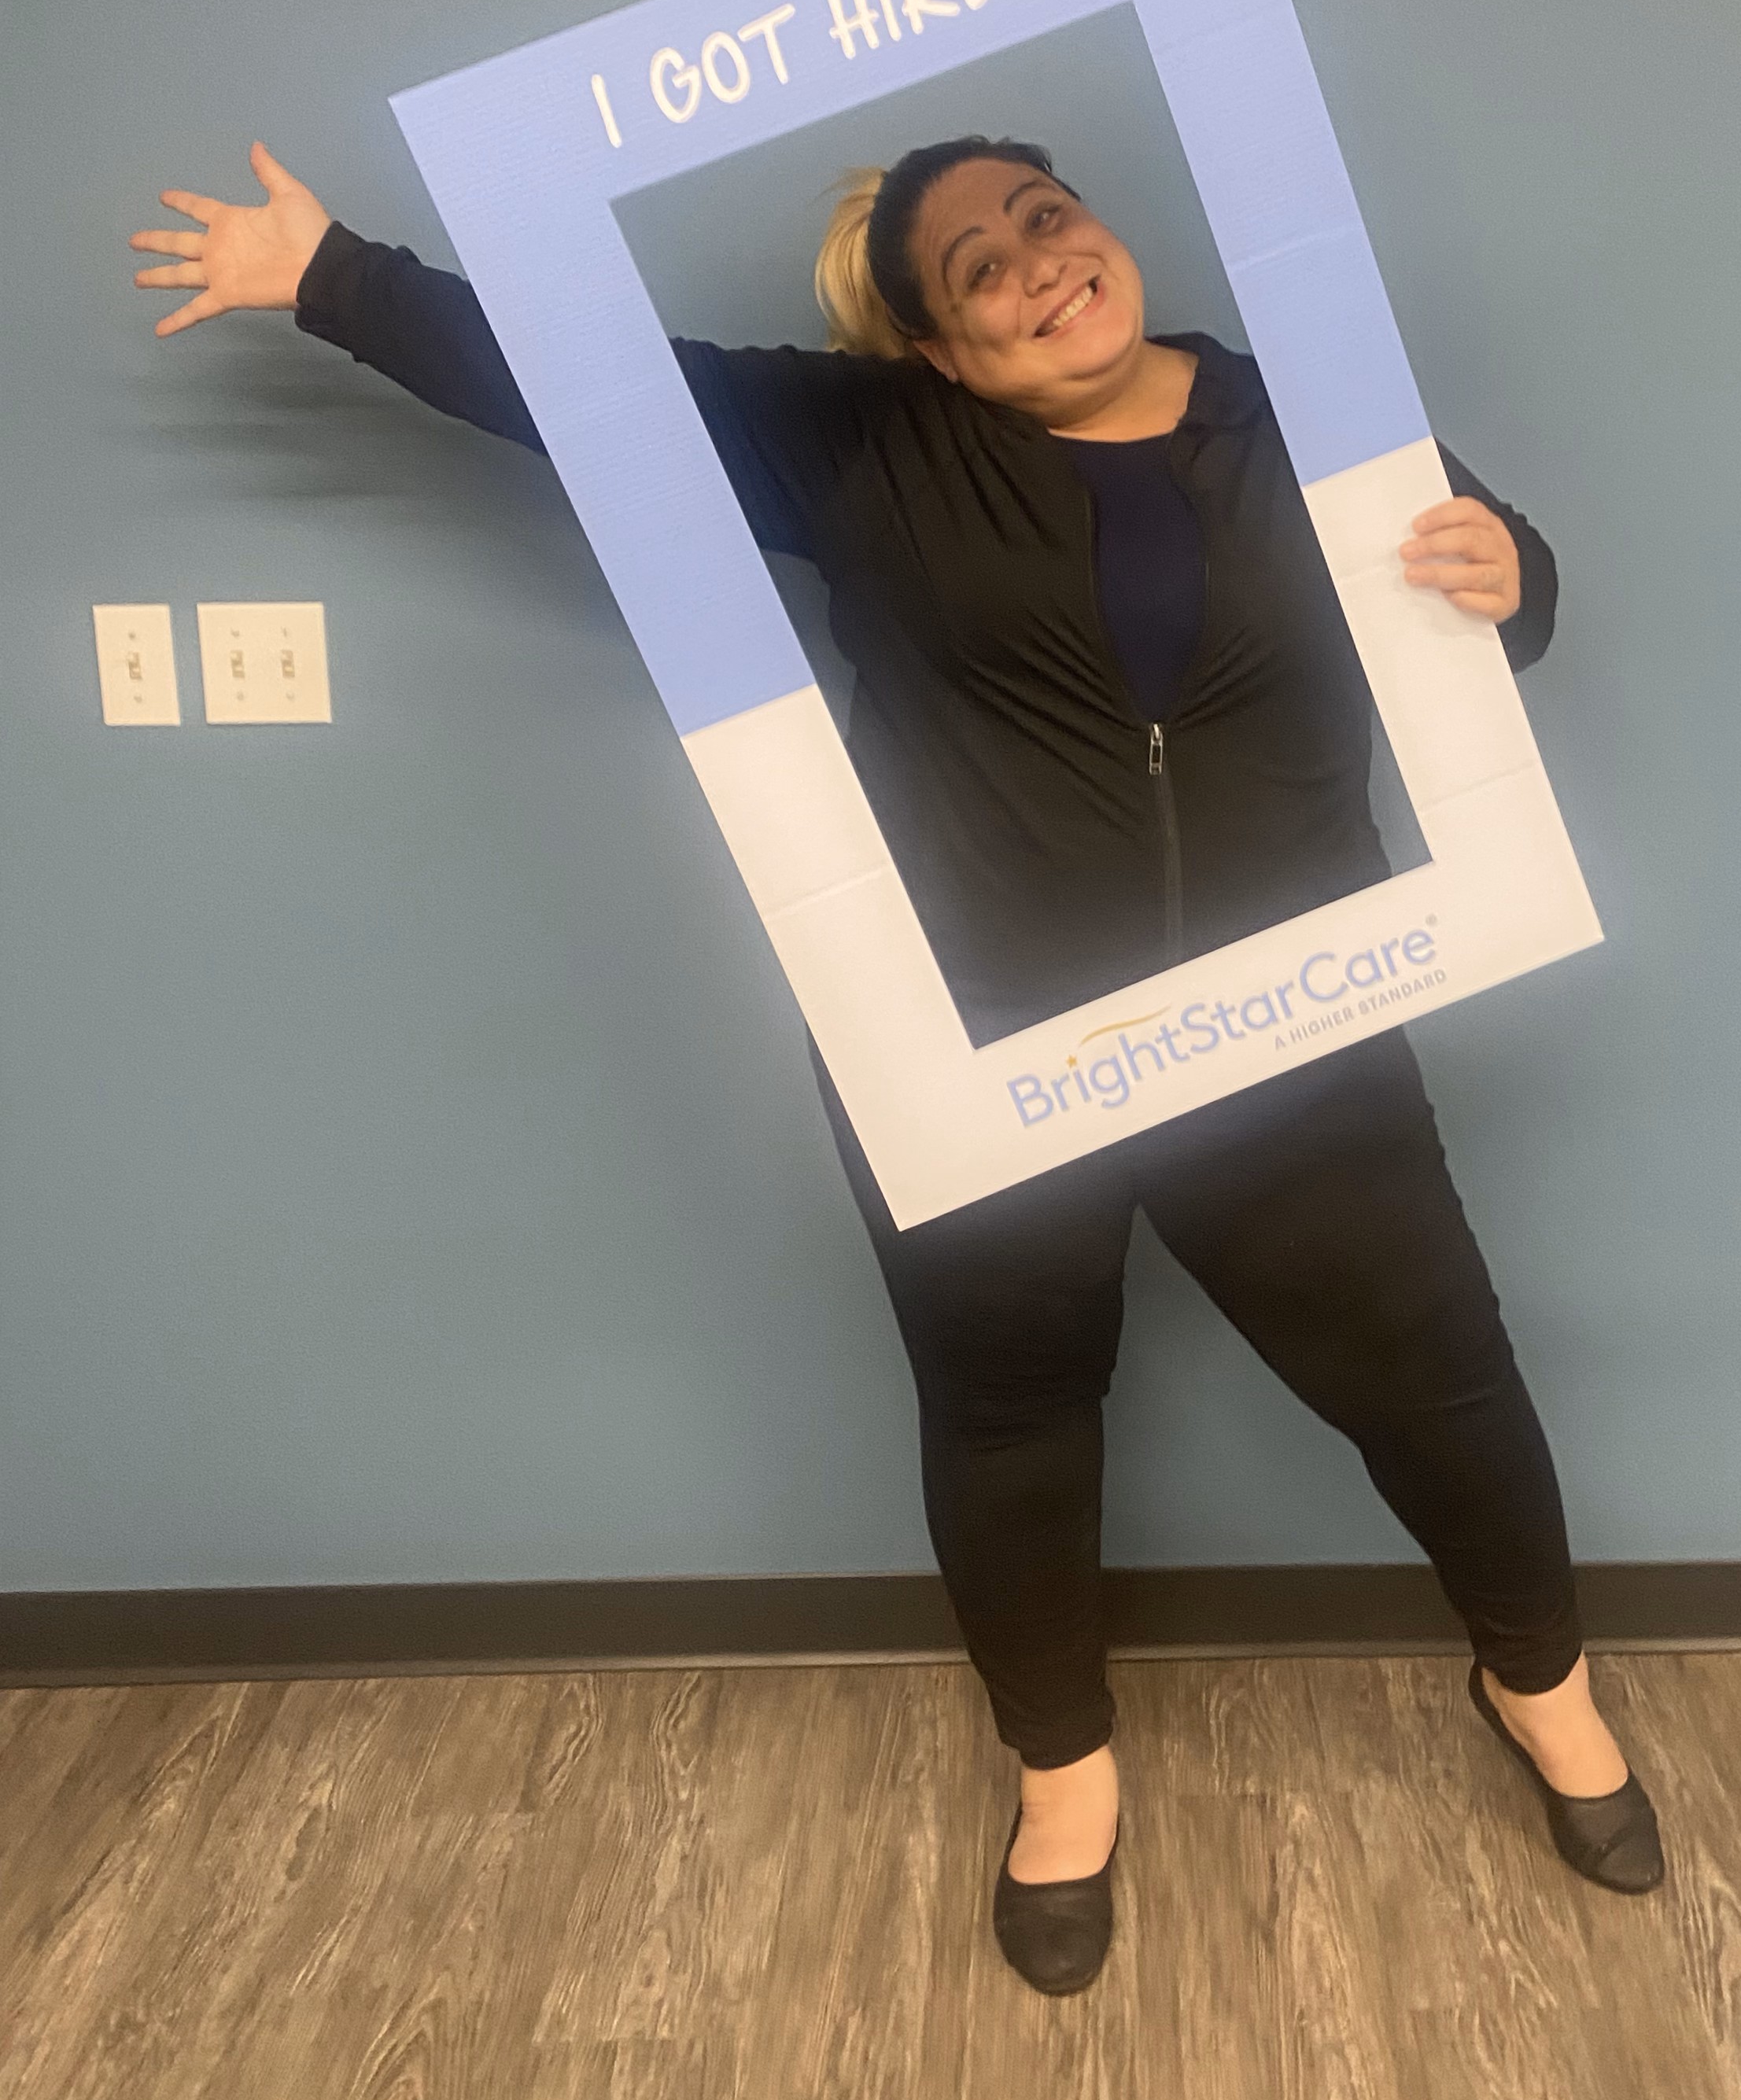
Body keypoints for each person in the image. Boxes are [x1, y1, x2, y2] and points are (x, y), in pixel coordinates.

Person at [136, 134, 1663, 1995]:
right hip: (963, 1039)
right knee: (1011, 1409)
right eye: (979, 270)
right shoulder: (864, 445)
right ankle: (1064, 1774)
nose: (1037, 266)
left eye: (1046, 219)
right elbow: (595, 394)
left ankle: (1543, 1688)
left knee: (1441, 1385)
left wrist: (1520, 575)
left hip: (1289, 1031)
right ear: (939, 348)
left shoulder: (1315, 411)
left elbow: (1501, 600)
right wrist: (330, 277)